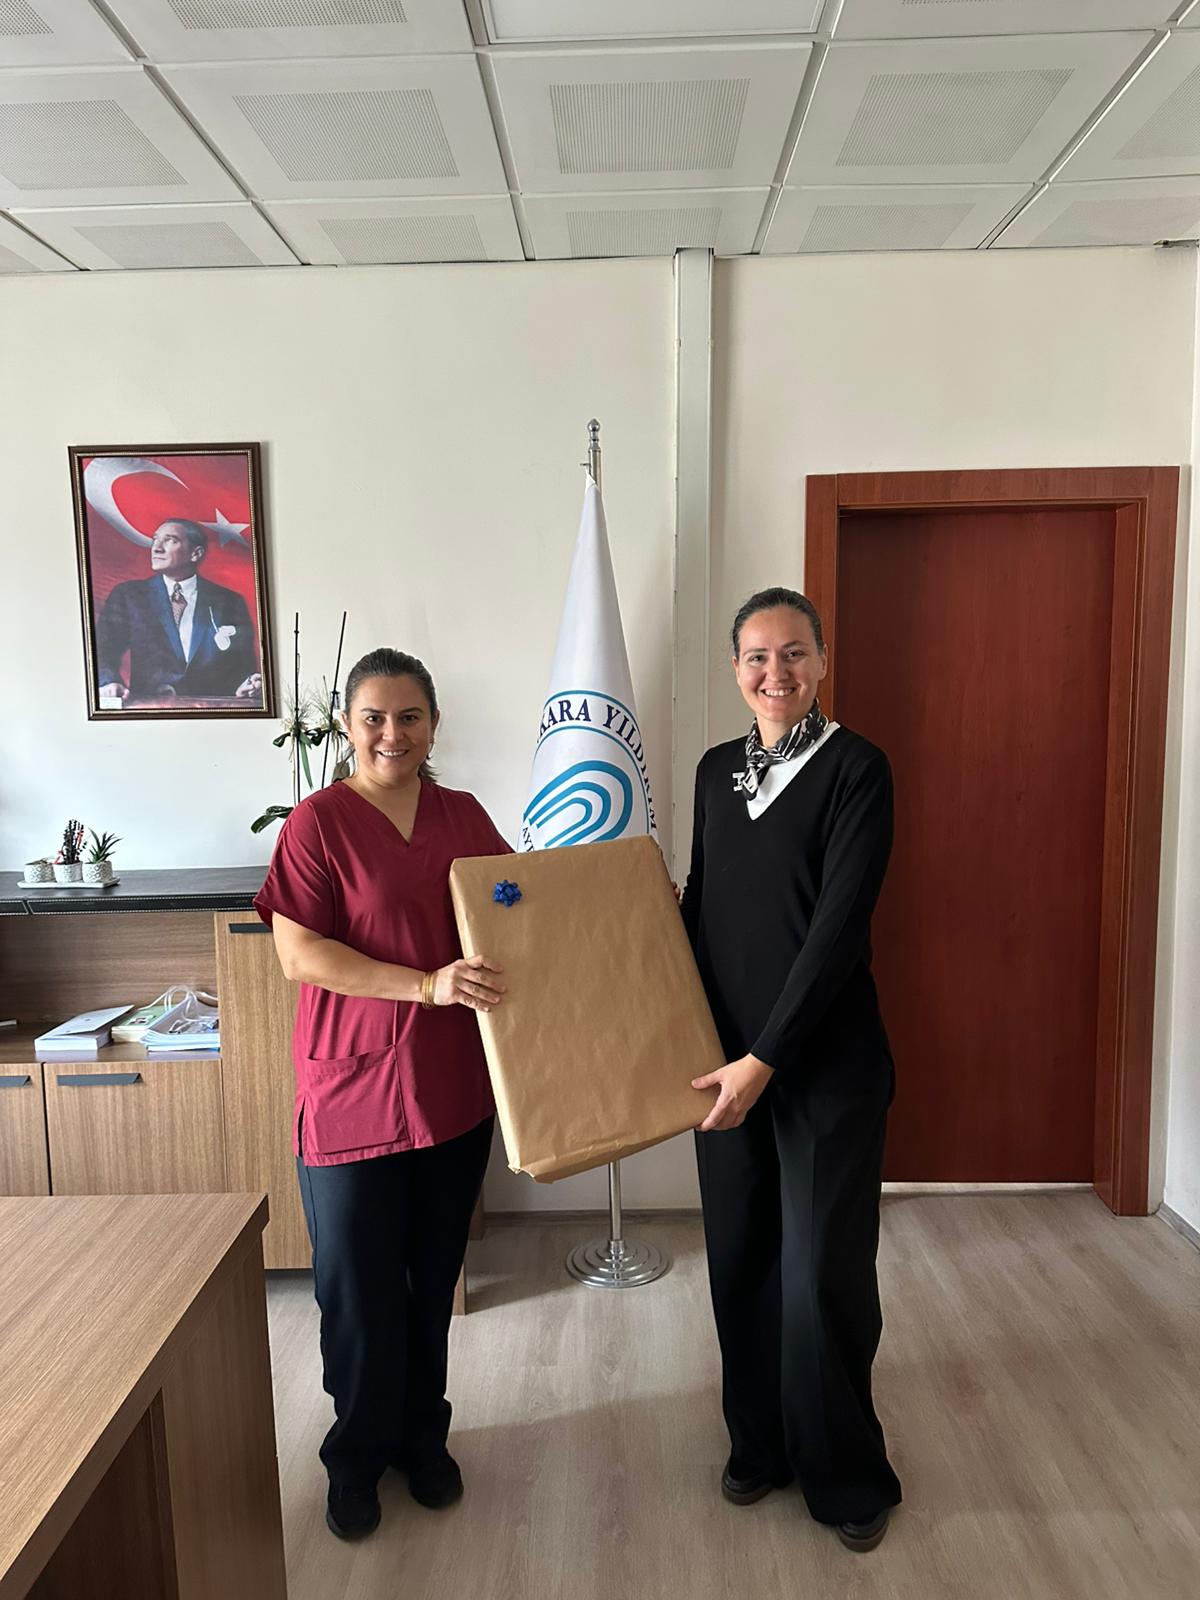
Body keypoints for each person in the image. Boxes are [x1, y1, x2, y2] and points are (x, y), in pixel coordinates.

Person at [254, 647, 509, 1541]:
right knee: (358, 1293)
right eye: (373, 717)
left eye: (409, 717)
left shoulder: (463, 814)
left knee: (429, 1281)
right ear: (347, 725)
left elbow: (518, 906)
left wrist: (623, 900)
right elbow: (300, 955)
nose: (391, 734)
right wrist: (425, 986)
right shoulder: (317, 823)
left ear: (434, 725)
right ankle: (356, 1457)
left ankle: (421, 1440)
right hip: (351, 1093)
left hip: (451, 1092)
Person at [681, 586, 902, 1554]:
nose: (777, 673)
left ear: (822, 660)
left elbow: (835, 933)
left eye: (795, 653)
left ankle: (845, 1470)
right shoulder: (713, 770)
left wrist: (765, 1058)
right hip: (723, 1068)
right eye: (758, 656)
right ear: (736, 668)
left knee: (821, 1276)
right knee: (740, 1261)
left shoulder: (857, 769)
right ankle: (759, 1443)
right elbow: (701, 908)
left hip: (822, 1070)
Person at [96, 518, 261, 702]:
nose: (156, 548)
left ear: (195, 554)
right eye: (155, 540)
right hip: (151, 710)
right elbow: (102, 650)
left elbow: (242, 666)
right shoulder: (129, 596)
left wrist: (246, 685)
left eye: (170, 540)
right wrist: (108, 682)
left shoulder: (229, 601)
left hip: (212, 711)